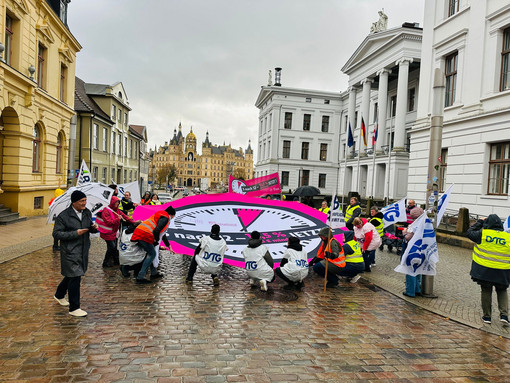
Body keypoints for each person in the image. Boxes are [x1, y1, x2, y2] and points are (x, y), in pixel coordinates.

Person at [52, 190, 98, 317]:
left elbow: (88, 228)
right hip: (70, 251)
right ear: (74, 202)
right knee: (75, 277)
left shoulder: (87, 212)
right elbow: (56, 234)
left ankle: (59, 295)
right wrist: (75, 233)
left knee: (72, 275)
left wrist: (93, 228)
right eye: (82, 201)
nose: (84, 203)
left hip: (83, 250)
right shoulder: (64, 216)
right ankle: (74, 308)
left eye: (85, 200)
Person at [467, 214, 510, 325]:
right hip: (503, 271)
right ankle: (504, 315)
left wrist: (479, 222)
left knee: (486, 291)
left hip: (484, 270)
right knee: (502, 290)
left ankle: (487, 317)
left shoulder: (482, 234)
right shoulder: (507, 237)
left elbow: (469, 232)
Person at [130, 205, 176, 283]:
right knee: (152, 254)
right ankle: (140, 277)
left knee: (150, 254)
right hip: (145, 234)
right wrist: (156, 241)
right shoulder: (165, 218)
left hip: (141, 232)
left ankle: (154, 273)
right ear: (171, 215)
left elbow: (163, 234)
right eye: (173, 216)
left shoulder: (161, 215)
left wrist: (168, 245)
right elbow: (157, 230)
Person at [96, 196, 133, 268]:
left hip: (114, 232)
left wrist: (133, 222)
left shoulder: (117, 210)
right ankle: (106, 262)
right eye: (116, 202)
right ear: (112, 202)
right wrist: (117, 219)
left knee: (113, 247)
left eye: (118, 202)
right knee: (112, 247)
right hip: (106, 233)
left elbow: (125, 217)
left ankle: (115, 261)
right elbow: (108, 222)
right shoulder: (106, 210)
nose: (117, 204)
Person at [401, 206, 425, 297]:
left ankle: (410, 291)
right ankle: (417, 289)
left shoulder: (415, 225)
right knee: (418, 270)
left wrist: (405, 233)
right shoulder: (425, 224)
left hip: (412, 250)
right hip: (421, 250)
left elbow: (409, 237)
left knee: (410, 270)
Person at [49, 188, 65, 252]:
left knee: (58, 232)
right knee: (59, 233)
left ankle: (56, 245)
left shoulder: (53, 200)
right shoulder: (58, 201)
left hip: (55, 219)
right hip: (58, 219)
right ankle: (55, 246)